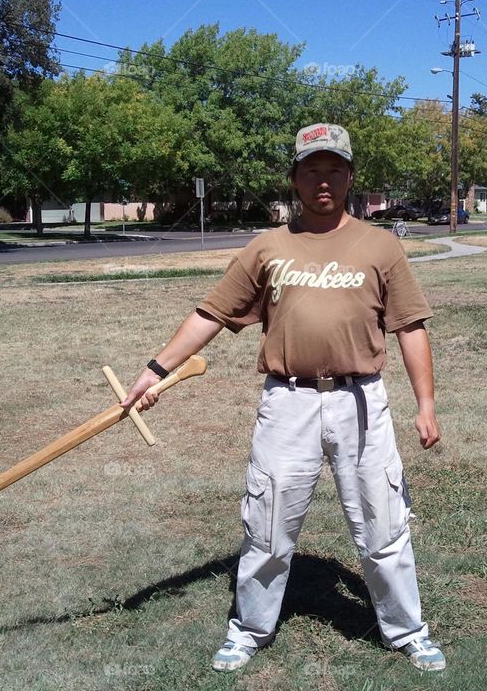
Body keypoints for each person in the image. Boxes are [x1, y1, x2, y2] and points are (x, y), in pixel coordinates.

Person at [120, 123, 446, 673]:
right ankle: (249, 629)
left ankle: (407, 631)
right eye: (312, 170)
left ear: (349, 177)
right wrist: (155, 370)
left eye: (334, 170)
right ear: (295, 179)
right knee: (268, 521)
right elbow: (211, 314)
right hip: (287, 402)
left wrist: (426, 404)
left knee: (382, 521)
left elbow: (410, 326)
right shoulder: (268, 247)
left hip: (361, 401)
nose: (324, 181)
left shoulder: (381, 245)